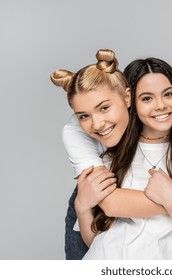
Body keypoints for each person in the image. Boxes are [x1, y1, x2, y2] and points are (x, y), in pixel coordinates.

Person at [53, 51, 172, 259]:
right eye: (147, 98)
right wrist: (82, 208)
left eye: (168, 94)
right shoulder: (108, 154)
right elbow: (98, 241)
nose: (160, 105)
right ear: (131, 101)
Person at [51, 49, 130, 258]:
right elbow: (108, 201)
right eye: (84, 115)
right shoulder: (73, 131)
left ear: (127, 98)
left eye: (104, 108)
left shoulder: (148, 109)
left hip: (138, 196)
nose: (97, 124)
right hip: (95, 204)